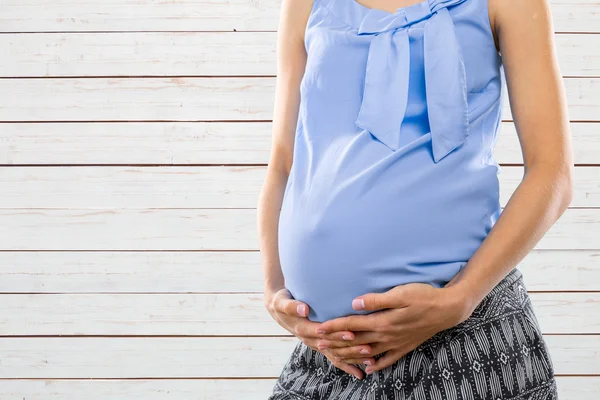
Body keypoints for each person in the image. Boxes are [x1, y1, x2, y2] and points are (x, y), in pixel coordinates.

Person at [256, 0, 573, 397]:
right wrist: (273, 289)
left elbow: (552, 176)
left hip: (464, 339)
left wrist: (461, 298)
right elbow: (283, 164)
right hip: (331, 352)